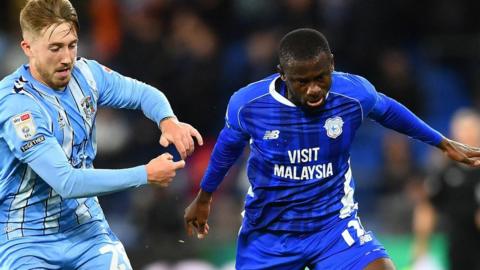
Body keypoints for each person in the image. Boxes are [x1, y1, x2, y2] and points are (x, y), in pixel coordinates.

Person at [184, 28, 480, 270]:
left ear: (332, 65)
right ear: (282, 74)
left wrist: (441, 143)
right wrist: (204, 196)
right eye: (302, 81)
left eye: (321, 77)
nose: (314, 89)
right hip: (271, 234)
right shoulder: (248, 105)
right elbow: (226, 148)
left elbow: (388, 110)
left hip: (332, 227)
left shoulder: (352, 93)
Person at [0, 0, 203, 269]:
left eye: (72, 45)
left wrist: (168, 121)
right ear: (28, 48)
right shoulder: (18, 105)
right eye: (55, 48)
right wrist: (144, 174)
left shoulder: (88, 74)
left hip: (86, 230)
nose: (66, 58)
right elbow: (66, 182)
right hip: (26, 239)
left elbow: (143, 94)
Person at [412, 108, 480, 270]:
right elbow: (427, 207)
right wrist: (421, 247)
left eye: (472, 129)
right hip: (457, 248)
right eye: (463, 129)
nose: (468, 134)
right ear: (454, 133)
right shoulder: (443, 171)